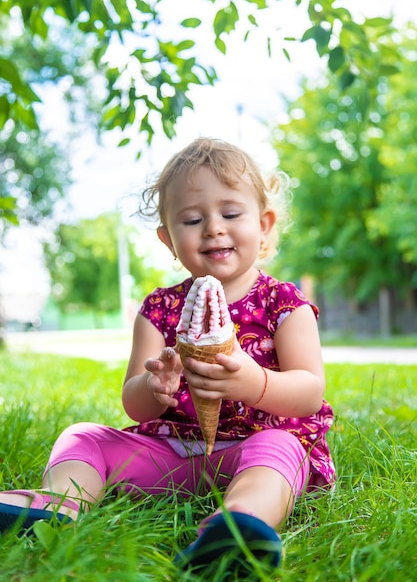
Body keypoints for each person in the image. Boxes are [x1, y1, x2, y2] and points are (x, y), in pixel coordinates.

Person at [0, 137, 335, 574]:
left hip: (253, 451)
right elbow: (134, 405)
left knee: (280, 446)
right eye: (193, 219)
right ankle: (56, 505)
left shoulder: (283, 302)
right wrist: (154, 386)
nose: (214, 227)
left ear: (265, 224)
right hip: (168, 454)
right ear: (168, 239)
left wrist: (255, 383)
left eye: (231, 214)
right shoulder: (158, 309)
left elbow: (309, 391)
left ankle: (239, 526)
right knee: (83, 436)